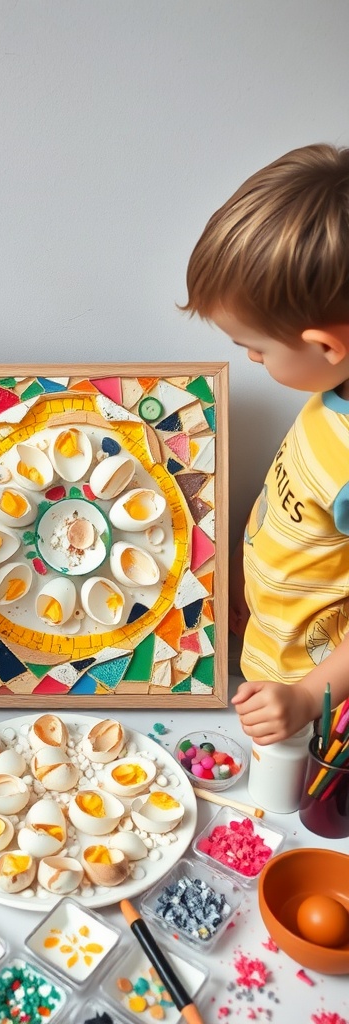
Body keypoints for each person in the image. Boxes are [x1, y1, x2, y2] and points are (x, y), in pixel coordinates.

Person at [181, 143, 349, 745]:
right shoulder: (333, 394)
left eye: (256, 348)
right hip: (273, 662)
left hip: (318, 709)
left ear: (326, 346)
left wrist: (307, 695)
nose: (251, 359)